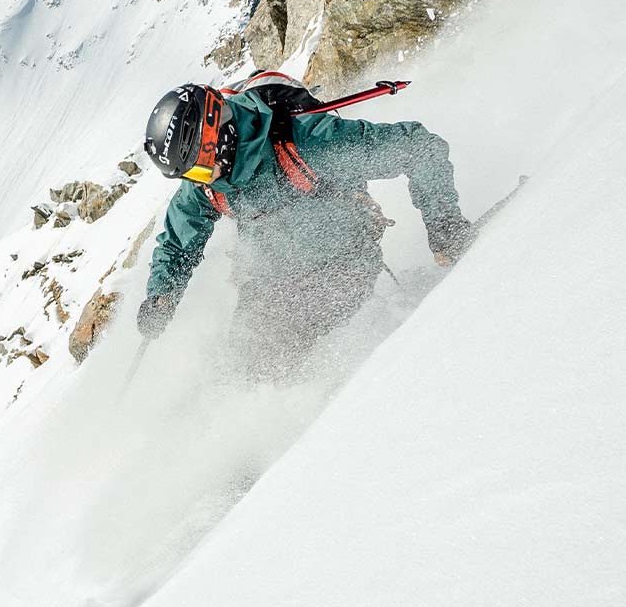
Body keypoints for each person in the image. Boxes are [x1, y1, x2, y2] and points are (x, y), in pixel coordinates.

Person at [136, 72, 473, 381]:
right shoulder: (207, 185)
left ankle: (333, 406)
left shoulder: (308, 141)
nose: (196, 182)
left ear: (217, 140)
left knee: (282, 362)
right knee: (239, 371)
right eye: (188, 175)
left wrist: (444, 225)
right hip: (268, 286)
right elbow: (177, 243)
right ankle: (254, 426)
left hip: (342, 266)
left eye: (197, 170)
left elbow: (419, 147)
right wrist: (161, 296)